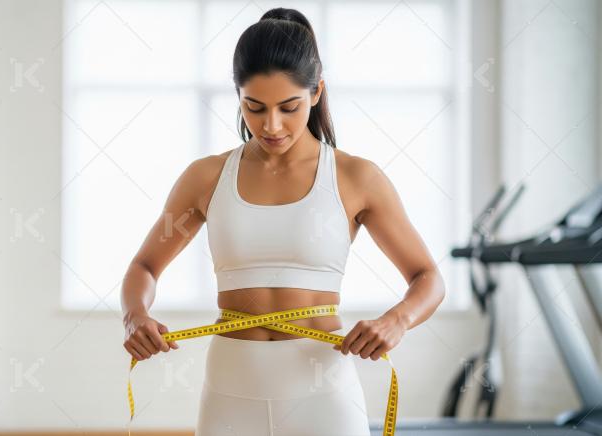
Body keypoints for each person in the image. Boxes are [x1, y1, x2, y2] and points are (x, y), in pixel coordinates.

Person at [121, 7, 445, 436]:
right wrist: (135, 315)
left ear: (316, 92)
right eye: (254, 107)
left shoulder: (355, 177)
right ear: (237, 95)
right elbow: (144, 267)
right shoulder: (206, 178)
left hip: (324, 396)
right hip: (229, 392)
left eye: (288, 107)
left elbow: (428, 277)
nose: (271, 125)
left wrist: (397, 320)